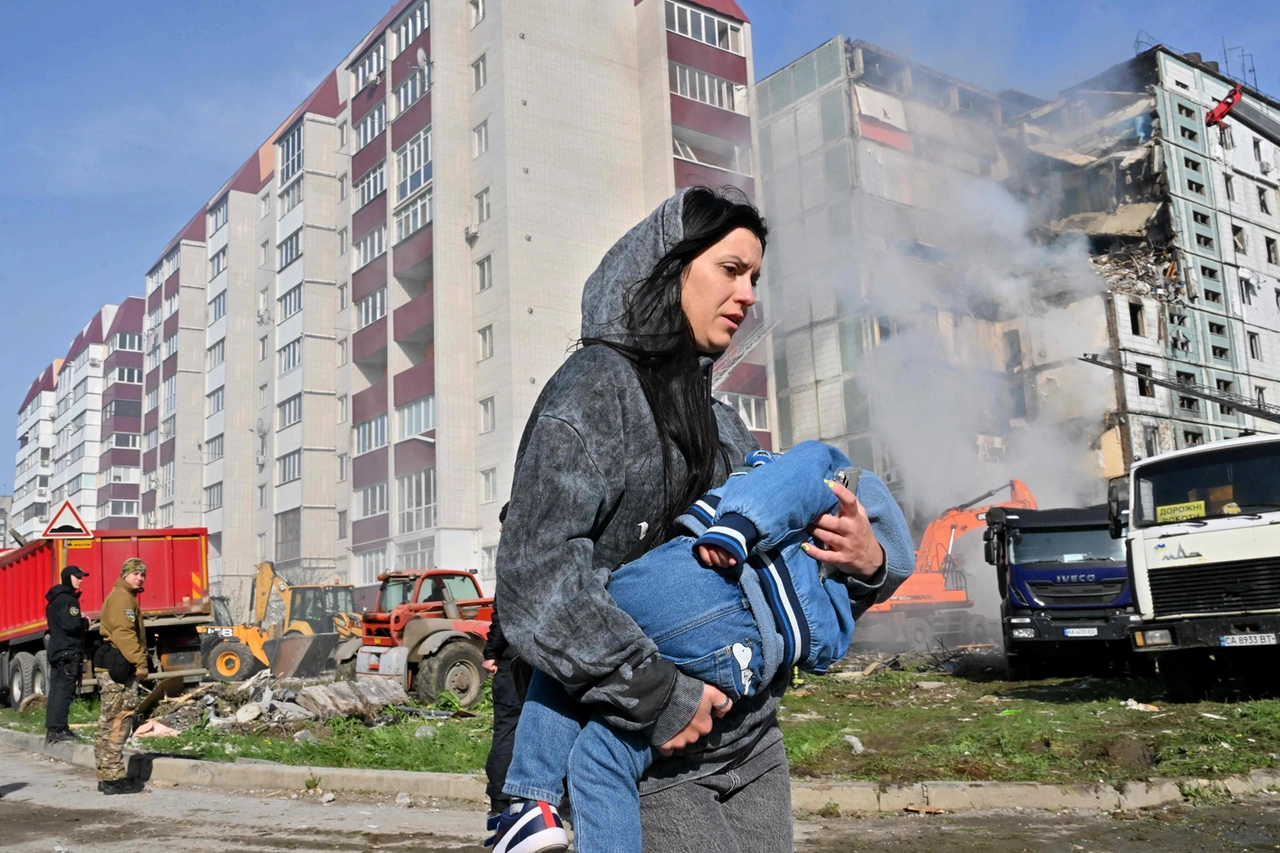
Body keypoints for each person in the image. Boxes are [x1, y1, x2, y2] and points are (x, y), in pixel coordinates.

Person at [493, 187, 911, 853]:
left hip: (751, 744)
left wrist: (867, 564)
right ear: (671, 264)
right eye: (730, 269)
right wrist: (659, 693)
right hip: (646, 744)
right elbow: (536, 578)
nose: (747, 295)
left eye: (755, 278)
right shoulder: (594, 391)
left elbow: (780, 579)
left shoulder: (723, 424)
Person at [488, 442, 913, 853]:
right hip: (741, 662)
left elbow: (797, 473)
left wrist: (737, 527)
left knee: (576, 624)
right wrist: (872, 566)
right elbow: (825, 642)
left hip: (703, 592)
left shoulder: (839, 475)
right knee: (600, 756)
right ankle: (533, 801)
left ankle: (530, 799)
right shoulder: (827, 574)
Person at [484, 503, 537, 818]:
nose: (501, 530)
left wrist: (491, 652)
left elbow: (503, 614)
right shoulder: (545, 551)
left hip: (513, 657)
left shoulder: (512, 557)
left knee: (507, 727)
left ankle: (501, 803)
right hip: (545, 658)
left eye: (504, 523)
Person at [93, 557, 149, 795]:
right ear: (125, 574)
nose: (140, 577)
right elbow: (125, 634)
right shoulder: (122, 599)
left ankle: (106, 775)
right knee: (118, 721)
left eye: (143, 574)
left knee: (109, 721)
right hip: (119, 665)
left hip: (112, 664)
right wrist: (141, 662)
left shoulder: (122, 596)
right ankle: (113, 779)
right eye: (135, 573)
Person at [45, 565, 91, 744]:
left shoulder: (54, 599)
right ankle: (59, 729)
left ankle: (53, 727)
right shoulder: (69, 600)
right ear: (67, 578)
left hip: (57, 649)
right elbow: (71, 625)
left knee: (56, 689)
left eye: (82, 577)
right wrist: (83, 622)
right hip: (68, 650)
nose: (80, 580)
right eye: (77, 577)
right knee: (65, 690)